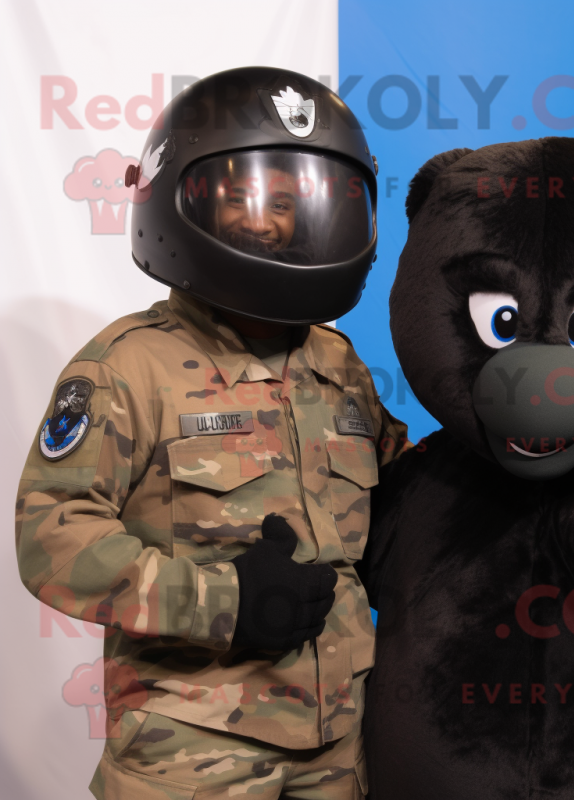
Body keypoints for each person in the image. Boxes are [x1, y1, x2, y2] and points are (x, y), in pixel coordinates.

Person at [15, 67, 408, 800]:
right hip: (191, 752)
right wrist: (219, 603)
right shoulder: (128, 365)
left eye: (287, 203)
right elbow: (52, 534)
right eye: (241, 197)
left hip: (339, 743)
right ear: (180, 197)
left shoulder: (337, 362)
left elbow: (408, 500)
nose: (265, 219)